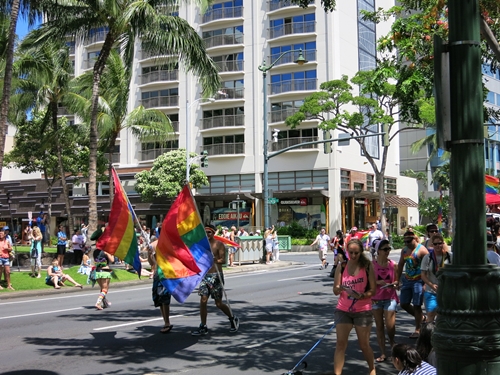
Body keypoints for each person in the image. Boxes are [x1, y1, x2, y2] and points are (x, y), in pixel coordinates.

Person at [333, 238, 376, 375]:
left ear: (361, 252)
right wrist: (339, 289)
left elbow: (373, 290)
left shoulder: (367, 266)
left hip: (362, 310)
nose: (353, 256)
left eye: (356, 253)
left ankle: (372, 369)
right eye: (350, 252)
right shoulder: (342, 266)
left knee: (364, 345)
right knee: (340, 344)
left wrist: (362, 296)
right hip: (343, 309)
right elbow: (335, 289)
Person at [191, 224, 239, 336]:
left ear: (213, 233)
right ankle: (203, 325)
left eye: (209, 232)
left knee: (218, 303)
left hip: (216, 276)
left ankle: (232, 318)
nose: (207, 234)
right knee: (203, 300)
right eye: (205, 232)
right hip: (205, 276)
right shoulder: (202, 245)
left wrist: (214, 259)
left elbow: (223, 260)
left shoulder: (219, 244)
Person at [396, 230, 429, 339]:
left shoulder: (422, 251)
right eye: (405, 241)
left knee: (417, 305)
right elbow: (400, 265)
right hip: (407, 280)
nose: (407, 243)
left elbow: (429, 267)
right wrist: (397, 279)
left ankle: (418, 329)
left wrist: (426, 282)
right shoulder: (404, 250)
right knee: (403, 303)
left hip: (419, 280)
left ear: (415, 239)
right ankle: (422, 318)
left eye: (409, 241)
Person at [371, 238, 399, 362]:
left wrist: (395, 284)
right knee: (379, 326)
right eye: (385, 249)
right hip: (376, 299)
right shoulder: (372, 265)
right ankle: (383, 352)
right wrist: (378, 282)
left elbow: (398, 281)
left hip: (390, 297)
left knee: (390, 326)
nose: (388, 251)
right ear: (378, 251)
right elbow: (367, 283)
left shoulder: (393, 264)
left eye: (389, 249)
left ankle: (393, 344)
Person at [421, 233, 452, 322]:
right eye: (435, 244)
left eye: (440, 243)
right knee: (431, 314)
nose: (438, 246)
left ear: (443, 243)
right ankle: (428, 334)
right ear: (432, 245)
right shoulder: (428, 257)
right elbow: (423, 275)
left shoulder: (450, 257)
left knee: (443, 316)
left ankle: (440, 334)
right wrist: (432, 285)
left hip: (446, 291)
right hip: (431, 291)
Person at [151, 247, 173, 334]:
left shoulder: (169, 246)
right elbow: (152, 262)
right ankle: (165, 322)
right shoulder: (156, 247)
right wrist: (150, 254)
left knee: (165, 298)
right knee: (159, 299)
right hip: (157, 275)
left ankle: (167, 323)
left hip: (166, 275)